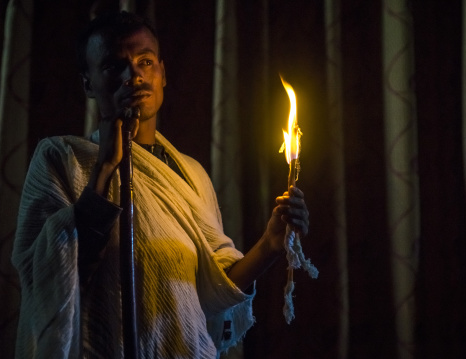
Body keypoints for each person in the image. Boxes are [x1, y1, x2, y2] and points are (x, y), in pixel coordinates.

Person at [12, 11, 309, 359]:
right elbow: (48, 277)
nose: (133, 75)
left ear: (162, 74)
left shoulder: (190, 174)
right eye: (113, 66)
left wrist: (270, 246)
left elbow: (210, 291)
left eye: (145, 62)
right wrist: (106, 168)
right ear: (88, 84)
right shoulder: (63, 159)